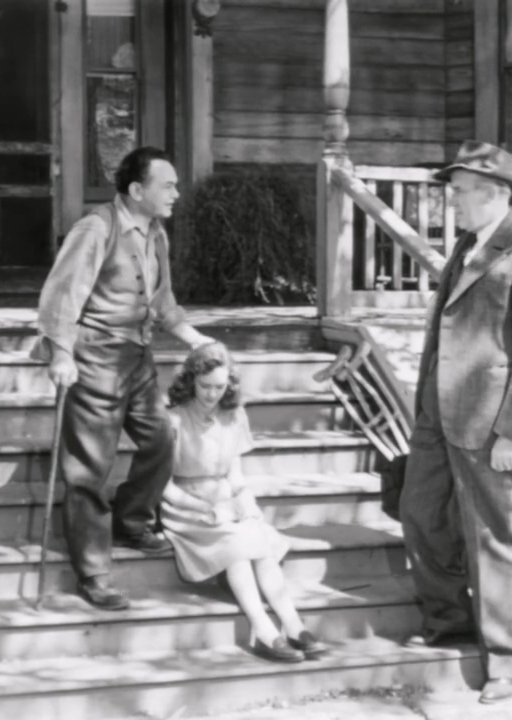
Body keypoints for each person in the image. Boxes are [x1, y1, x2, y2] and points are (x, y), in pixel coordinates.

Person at [399, 141, 512, 704]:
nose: (453, 203)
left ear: (493, 194)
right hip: (436, 415)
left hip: (490, 422)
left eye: (461, 192)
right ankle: (450, 623)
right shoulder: (467, 246)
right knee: (420, 515)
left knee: (495, 538)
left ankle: (507, 663)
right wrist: (423, 403)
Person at [34, 147, 214, 611]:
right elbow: (61, 294)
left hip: (137, 356)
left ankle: (131, 523)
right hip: (93, 357)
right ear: (137, 190)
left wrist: (196, 339)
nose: (177, 192)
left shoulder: (156, 234)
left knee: (161, 441)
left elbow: (163, 301)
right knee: (89, 467)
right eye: (167, 185)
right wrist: (60, 352)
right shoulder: (96, 228)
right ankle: (93, 573)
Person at [161, 342, 330, 664]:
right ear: (191, 381)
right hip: (186, 507)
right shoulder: (174, 420)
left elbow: (236, 477)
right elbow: (163, 488)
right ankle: (265, 630)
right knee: (238, 545)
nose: (212, 395)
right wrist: (207, 509)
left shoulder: (234, 416)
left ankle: (294, 625)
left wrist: (247, 503)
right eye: (205, 386)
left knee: (260, 538)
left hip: (223, 499)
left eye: (220, 387)